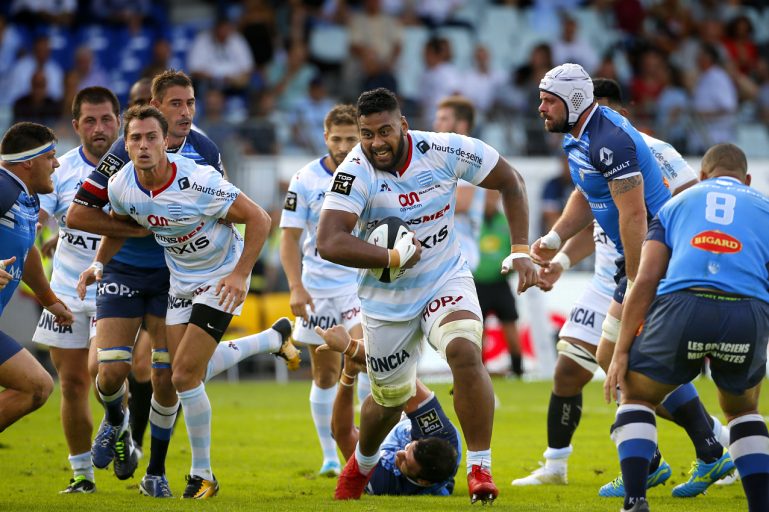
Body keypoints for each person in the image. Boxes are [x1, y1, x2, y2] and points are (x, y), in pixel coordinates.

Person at [317, 87, 538, 503]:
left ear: (403, 125)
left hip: (444, 277)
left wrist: (521, 248)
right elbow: (328, 240)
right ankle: (361, 467)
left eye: (385, 131)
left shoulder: (444, 149)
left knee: (464, 351)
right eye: (367, 134)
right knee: (387, 401)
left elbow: (510, 180)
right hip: (387, 300)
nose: (375, 143)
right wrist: (392, 255)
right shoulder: (354, 171)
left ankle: (480, 469)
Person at [531, 65, 733, 497]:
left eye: (549, 100)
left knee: (621, 361)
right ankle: (698, 452)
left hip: (653, 260)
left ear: (575, 102)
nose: (540, 108)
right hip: (633, 262)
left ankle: (692, 453)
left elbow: (636, 214)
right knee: (614, 362)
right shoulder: (577, 136)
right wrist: (554, 239)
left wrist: (642, 277)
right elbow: (589, 198)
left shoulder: (612, 141)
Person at [82, 105, 297, 499]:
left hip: (221, 277)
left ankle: (203, 476)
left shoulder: (198, 180)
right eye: (135, 138)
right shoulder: (121, 185)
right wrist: (97, 264)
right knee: (187, 373)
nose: (143, 146)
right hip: (180, 283)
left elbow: (261, 218)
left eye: (151, 138)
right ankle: (271, 340)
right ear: (125, 144)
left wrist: (240, 274)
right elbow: (122, 227)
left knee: (181, 377)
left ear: (166, 142)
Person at [65, 70, 228, 495]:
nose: (186, 112)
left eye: (191, 103)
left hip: (174, 275)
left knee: (165, 376)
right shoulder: (125, 152)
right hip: (126, 268)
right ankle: (116, 419)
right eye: (176, 104)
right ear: (156, 109)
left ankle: (154, 471)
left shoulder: (205, 150)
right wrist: (135, 234)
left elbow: (226, 208)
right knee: (109, 371)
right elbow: (81, 215)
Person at [604, 143, 769, 512]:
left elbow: (645, 279)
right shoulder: (765, 207)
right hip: (747, 310)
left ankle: (634, 502)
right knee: (743, 410)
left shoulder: (675, 205)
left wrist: (621, 351)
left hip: (683, 306)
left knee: (636, 394)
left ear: (703, 176)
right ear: (747, 179)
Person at [31, 87, 120, 494]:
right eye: (90, 120)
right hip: (66, 290)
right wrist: (41, 238)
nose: (99, 128)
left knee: (103, 371)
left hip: (118, 288)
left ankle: (119, 426)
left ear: (118, 121)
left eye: (105, 119)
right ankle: (82, 474)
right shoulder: (61, 170)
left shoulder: (135, 166)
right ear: (75, 126)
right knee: (70, 384)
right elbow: (34, 221)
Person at [279, 104, 369, 477]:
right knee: (326, 375)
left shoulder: (370, 173)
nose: (344, 146)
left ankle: (368, 449)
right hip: (317, 288)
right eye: (337, 139)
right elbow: (288, 238)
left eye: (351, 139)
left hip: (359, 284)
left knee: (367, 363)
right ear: (325, 137)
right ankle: (331, 457)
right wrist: (296, 286)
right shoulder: (305, 179)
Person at [316, 324, 461, 496]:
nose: (399, 453)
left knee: (343, 431)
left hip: (387, 446)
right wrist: (364, 353)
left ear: (422, 481)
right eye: (409, 447)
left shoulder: (385, 483)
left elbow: (343, 433)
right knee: (399, 391)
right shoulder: (442, 435)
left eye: (405, 463)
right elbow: (404, 379)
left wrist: (349, 366)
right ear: (421, 439)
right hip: (407, 424)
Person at [0, 122, 73, 433]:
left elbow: (26, 254)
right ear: (29, 161)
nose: (56, 164)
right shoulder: (3, 187)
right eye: (51, 157)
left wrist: (50, 301)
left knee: (36, 386)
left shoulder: (24, 197)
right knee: (35, 386)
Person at [432, 95, 485, 272]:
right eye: (437, 119)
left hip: (460, 253)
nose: (436, 124)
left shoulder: (468, 154)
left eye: (444, 119)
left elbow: (461, 202)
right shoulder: (444, 157)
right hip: (440, 253)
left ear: (462, 125)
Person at [474, 190, 522, 377]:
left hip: (501, 283)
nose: (489, 201)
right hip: (477, 283)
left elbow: (515, 248)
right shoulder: (472, 220)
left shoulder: (506, 222)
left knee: (510, 326)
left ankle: (518, 370)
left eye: (492, 197)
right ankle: (479, 370)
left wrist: (510, 267)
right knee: (478, 330)